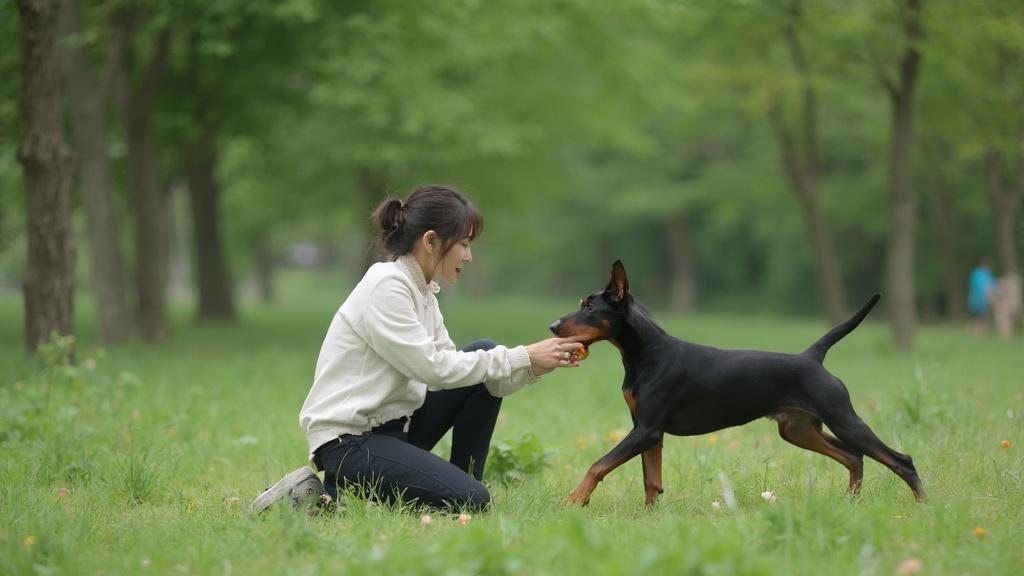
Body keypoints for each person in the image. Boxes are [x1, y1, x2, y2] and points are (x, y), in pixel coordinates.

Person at [251, 184, 582, 514]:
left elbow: (458, 375)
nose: (468, 256)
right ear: (430, 241)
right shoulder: (387, 286)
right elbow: (433, 369)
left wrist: (537, 364)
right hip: (350, 443)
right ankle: (324, 497)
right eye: (464, 244)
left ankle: (460, 485)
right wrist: (523, 354)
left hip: (396, 431)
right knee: (474, 499)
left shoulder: (424, 293)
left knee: (483, 354)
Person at [967, 256, 995, 335]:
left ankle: (981, 332)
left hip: (984, 298)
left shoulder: (988, 274)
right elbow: (979, 286)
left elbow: (992, 285)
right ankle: (975, 332)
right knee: (977, 316)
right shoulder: (977, 273)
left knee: (982, 316)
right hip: (978, 298)